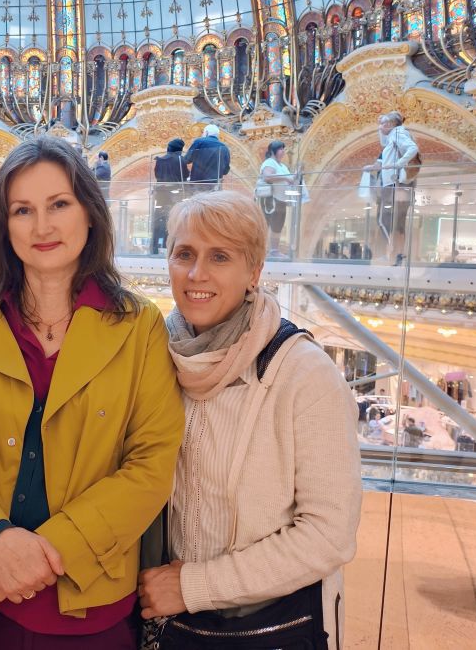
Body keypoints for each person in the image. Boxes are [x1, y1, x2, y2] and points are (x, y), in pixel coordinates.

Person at [0, 135, 183, 649]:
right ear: (4, 225)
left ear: (90, 213)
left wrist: (40, 555)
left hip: (89, 607)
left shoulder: (138, 326)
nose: (42, 227)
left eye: (59, 204)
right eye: (23, 210)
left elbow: (151, 466)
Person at [138, 191, 362, 649]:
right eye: (185, 254)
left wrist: (194, 586)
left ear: (254, 272)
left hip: (269, 626)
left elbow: (329, 534)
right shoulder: (156, 356)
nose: (197, 274)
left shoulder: (305, 375)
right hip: (174, 624)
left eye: (220, 257)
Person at [363, 111, 419, 265]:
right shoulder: (391, 140)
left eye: (384, 124)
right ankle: (397, 254)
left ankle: (391, 252)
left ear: (392, 124)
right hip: (398, 185)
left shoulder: (397, 134)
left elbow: (412, 148)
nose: (381, 127)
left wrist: (398, 164)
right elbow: (383, 148)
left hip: (395, 185)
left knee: (384, 219)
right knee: (397, 222)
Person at [256, 140, 300, 259]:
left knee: (278, 225)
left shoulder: (282, 166)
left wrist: (295, 175)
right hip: (271, 199)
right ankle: (261, 250)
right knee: (267, 224)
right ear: (273, 151)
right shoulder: (269, 162)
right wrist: (286, 178)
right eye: (280, 149)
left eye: (283, 149)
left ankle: (274, 250)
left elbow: (289, 179)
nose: (283, 151)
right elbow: (267, 177)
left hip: (281, 199)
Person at [151, 139, 190, 255]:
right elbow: (185, 175)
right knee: (175, 220)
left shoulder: (160, 160)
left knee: (159, 220)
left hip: (161, 194)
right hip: (175, 195)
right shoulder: (180, 160)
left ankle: (154, 247)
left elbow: (157, 175)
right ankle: (171, 247)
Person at [185, 124, 230, 192]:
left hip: (198, 183)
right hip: (215, 184)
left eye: (203, 132)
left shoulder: (199, 142)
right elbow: (225, 171)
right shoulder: (225, 147)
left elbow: (187, 159)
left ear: (206, 132)